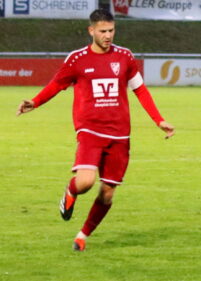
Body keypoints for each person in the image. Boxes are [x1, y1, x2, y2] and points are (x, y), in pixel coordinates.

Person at [16, 9, 175, 251]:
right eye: (102, 31)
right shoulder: (77, 59)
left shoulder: (125, 57)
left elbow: (140, 90)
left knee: (108, 194)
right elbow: (58, 84)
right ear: (91, 31)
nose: (108, 35)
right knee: (86, 181)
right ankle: (70, 192)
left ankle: (82, 236)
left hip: (120, 133)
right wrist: (35, 102)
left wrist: (158, 120)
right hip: (90, 130)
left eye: (111, 30)